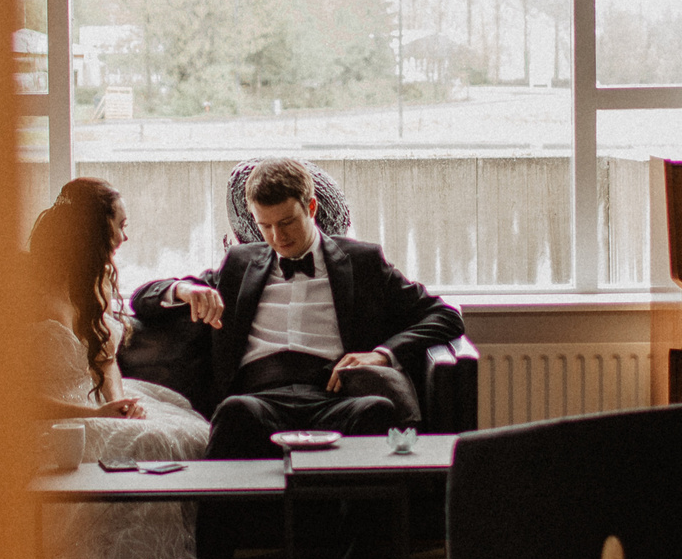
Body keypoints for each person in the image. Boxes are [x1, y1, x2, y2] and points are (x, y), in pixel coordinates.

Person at [133, 157, 464, 460]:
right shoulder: (239, 264)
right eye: (265, 226)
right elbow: (142, 298)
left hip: (335, 397)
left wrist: (382, 355)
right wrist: (183, 289)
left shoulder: (362, 262)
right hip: (259, 399)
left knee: (376, 411)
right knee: (234, 413)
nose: (277, 236)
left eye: (287, 222)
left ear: (311, 207)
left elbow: (445, 315)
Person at [30, 178, 209, 559]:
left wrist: (117, 403)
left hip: (97, 405)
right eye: (121, 225)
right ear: (94, 230)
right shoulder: (28, 292)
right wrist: (94, 415)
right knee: (150, 443)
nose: (126, 236)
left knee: (188, 434)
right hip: (52, 424)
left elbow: (105, 360)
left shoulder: (95, 280)